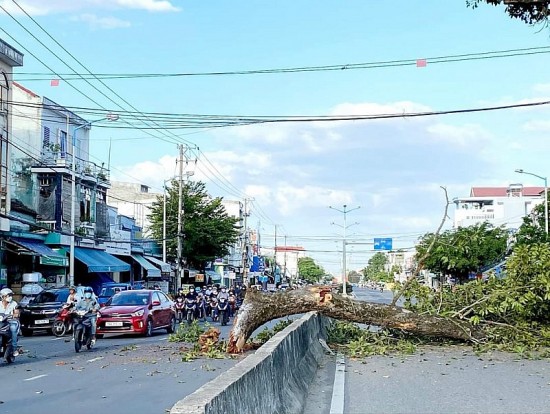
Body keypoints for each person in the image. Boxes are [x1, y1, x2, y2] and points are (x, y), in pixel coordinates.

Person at [0, 288, 21, 356]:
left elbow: (17, 313)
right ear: (2, 296)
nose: (10, 297)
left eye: (11, 295)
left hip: (11, 321)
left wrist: (15, 315)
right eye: (8, 295)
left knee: (13, 329)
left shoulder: (14, 303)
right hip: (1, 322)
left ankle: (14, 349)